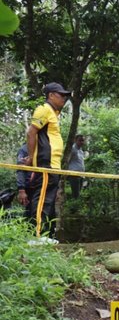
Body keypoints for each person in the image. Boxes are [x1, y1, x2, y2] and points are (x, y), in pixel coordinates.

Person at [24, 82, 71, 237]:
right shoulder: (44, 109)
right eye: (61, 95)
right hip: (46, 164)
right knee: (41, 202)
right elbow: (31, 133)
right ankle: (36, 236)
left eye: (65, 96)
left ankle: (44, 235)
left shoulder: (53, 113)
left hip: (53, 166)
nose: (64, 98)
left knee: (48, 202)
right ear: (51, 95)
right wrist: (31, 158)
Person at [16, 143, 34, 218]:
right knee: (30, 212)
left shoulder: (43, 147)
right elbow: (20, 170)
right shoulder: (24, 149)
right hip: (30, 186)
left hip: (43, 185)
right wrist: (21, 190)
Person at [68, 134, 86, 199]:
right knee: (76, 194)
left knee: (78, 193)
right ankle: (74, 208)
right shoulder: (72, 149)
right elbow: (67, 161)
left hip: (81, 175)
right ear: (75, 140)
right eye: (80, 140)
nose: (82, 142)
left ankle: (76, 206)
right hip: (74, 175)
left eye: (83, 141)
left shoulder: (81, 150)